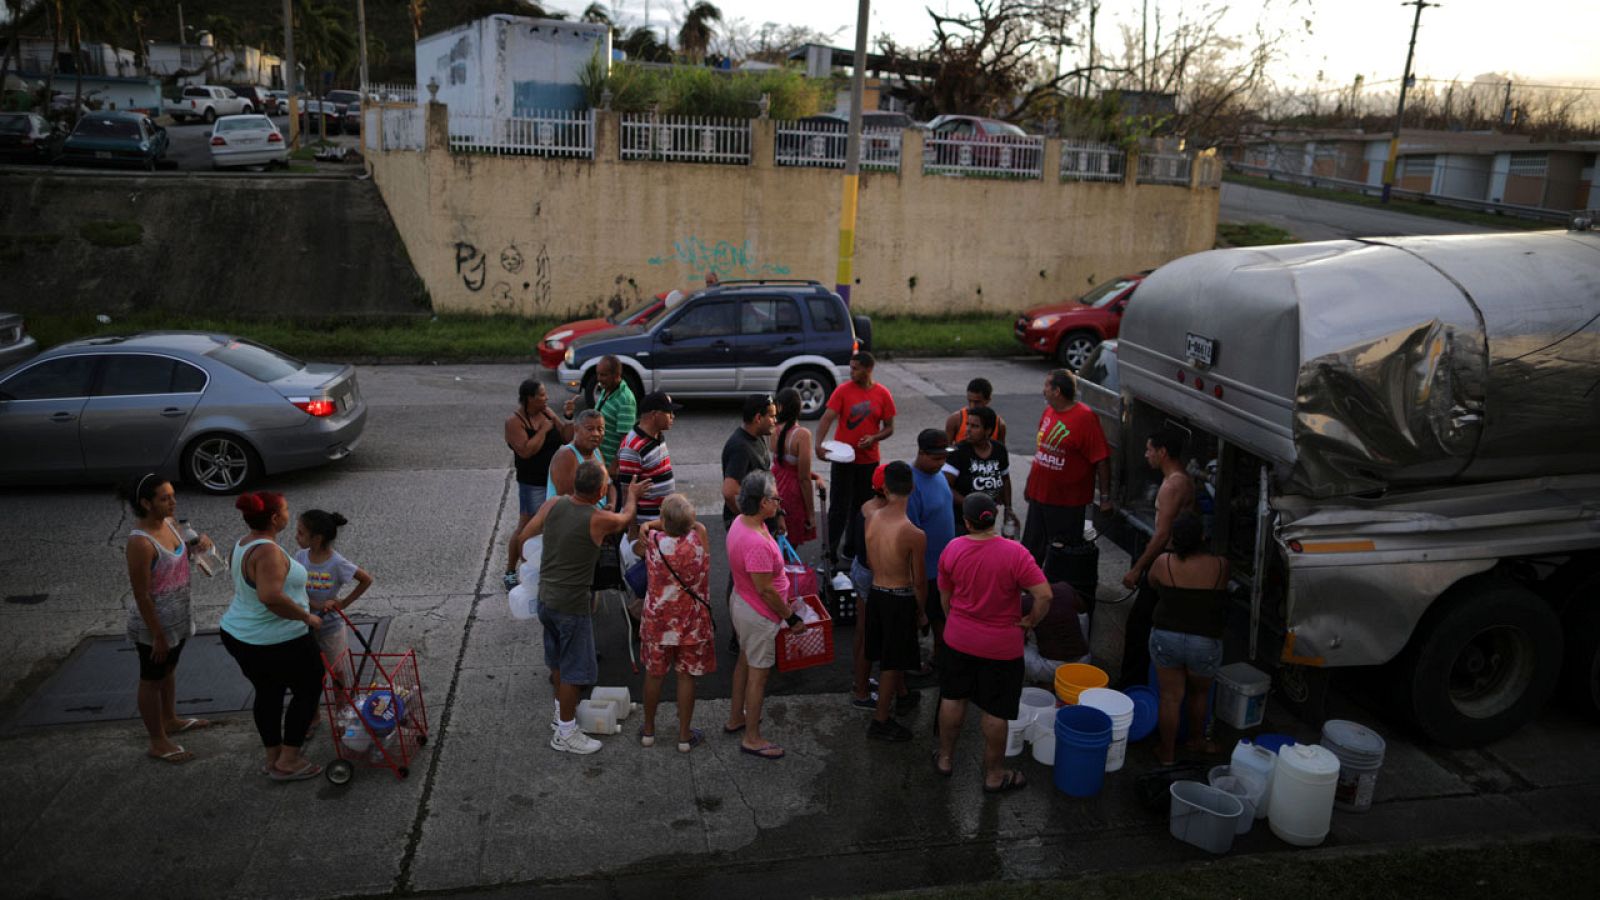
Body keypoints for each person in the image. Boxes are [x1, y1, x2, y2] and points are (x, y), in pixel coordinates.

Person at [523, 461, 647, 754]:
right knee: (574, 672)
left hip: (546, 600)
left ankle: (560, 716)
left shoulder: (554, 504)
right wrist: (632, 494)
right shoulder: (597, 519)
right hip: (571, 606)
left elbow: (522, 535)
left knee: (556, 662)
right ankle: (566, 733)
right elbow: (626, 517)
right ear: (601, 490)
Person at [934, 493, 1052, 792]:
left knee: (952, 697)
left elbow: (945, 597)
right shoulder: (1015, 553)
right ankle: (994, 775)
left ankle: (945, 759)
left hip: (959, 638)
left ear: (966, 521)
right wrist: (1031, 621)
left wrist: (956, 622)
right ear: (994, 517)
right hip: (1002, 647)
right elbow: (1044, 595)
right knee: (996, 711)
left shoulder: (952, 548)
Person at [219, 491, 326, 782]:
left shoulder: (243, 543)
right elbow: (270, 597)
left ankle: (272, 755)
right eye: (286, 509)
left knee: (268, 692)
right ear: (276, 518)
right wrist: (307, 617)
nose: (290, 514)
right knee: (308, 687)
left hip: (240, 634)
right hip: (275, 639)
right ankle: (289, 760)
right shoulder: (268, 552)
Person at [120, 473, 214, 765]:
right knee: (151, 680)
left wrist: (203, 546)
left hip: (178, 617)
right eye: (165, 498)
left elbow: (188, 553)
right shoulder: (140, 542)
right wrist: (157, 634)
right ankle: (157, 740)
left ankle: (170, 719)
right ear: (146, 503)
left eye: (173, 495)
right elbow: (142, 594)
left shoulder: (172, 525)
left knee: (169, 669)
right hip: (154, 626)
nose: (173, 502)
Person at [724, 470, 807, 761]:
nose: (778, 503)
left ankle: (736, 717)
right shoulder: (757, 541)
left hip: (742, 604)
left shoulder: (740, 522)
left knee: (744, 662)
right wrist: (791, 618)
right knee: (758, 677)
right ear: (761, 503)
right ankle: (752, 738)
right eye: (775, 499)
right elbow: (766, 590)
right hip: (758, 614)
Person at [1147, 513, 1230, 766]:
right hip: (1204, 641)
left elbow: (1152, 584)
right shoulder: (1221, 565)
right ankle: (1197, 741)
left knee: (1170, 697)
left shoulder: (1164, 562)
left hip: (1166, 636)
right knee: (1199, 695)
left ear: (1174, 539)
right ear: (1202, 538)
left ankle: (1167, 753)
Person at [1119, 426, 1198, 685]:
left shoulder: (1173, 485)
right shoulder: (1179, 480)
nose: (1146, 455)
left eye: (1149, 449)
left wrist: (1138, 568)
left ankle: (1132, 682)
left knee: (1139, 624)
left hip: (1168, 558)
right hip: (1172, 558)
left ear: (1162, 452)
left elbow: (1162, 534)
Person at [636, 494, 714, 753]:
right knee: (686, 677)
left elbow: (652, 532)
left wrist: (646, 526)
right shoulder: (699, 536)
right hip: (691, 623)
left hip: (658, 623)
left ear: (664, 521)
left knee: (654, 675)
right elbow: (693, 525)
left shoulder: (654, 543)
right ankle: (684, 735)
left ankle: (648, 730)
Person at [862, 462, 926, 742]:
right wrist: (921, 611)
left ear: (885, 488)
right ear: (912, 488)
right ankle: (880, 720)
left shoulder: (872, 517)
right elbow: (919, 580)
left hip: (876, 591)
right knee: (893, 661)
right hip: (900, 598)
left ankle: (902, 695)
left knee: (887, 655)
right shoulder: (913, 534)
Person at [1022, 369, 1111, 562]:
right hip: (1040, 497)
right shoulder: (1049, 412)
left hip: (1067, 504)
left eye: (1047, 385)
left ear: (1057, 391)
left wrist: (1104, 497)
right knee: (1032, 550)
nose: (1043, 390)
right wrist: (1030, 483)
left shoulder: (1085, 418)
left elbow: (1101, 459)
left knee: (1062, 556)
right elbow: (1040, 453)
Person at [816, 352, 895, 564]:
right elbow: (827, 418)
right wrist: (818, 445)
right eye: (850, 367)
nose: (851, 372)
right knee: (838, 508)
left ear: (869, 369)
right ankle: (829, 551)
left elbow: (889, 428)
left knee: (862, 508)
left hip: (868, 461)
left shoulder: (883, 394)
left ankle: (852, 549)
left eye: (855, 368)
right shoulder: (843, 391)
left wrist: (874, 438)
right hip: (843, 461)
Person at [292, 509, 374, 686]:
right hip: (305, 626)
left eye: (300, 533)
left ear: (317, 538)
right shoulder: (299, 557)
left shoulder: (337, 562)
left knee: (338, 672)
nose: (296, 536)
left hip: (331, 627)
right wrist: (314, 603)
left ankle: (342, 708)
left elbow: (366, 579)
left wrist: (343, 603)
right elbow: (293, 588)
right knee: (311, 673)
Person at [504, 378, 572, 590]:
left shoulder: (546, 412)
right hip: (532, 483)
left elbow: (567, 438)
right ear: (529, 398)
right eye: (542, 395)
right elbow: (525, 451)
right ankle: (510, 571)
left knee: (551, 526)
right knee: (526, 526)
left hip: (554, 481)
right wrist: (543, 430)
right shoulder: (514, 422)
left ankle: (539, 568)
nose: (547, 398)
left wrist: (565, 417)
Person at [906, 429, 957, 659]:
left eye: (944, 458)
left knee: (942, 618)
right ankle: (916, 663)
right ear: (921, 453)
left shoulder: (939, 475)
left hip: (945, 568)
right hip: (925, 573)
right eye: (936, 458)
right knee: (925, 619)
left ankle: (939, 657)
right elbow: (911, 536)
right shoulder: (911, 486)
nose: (941, 463)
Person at [848, 464, 888, 709]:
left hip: (860, 570)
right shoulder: (880, 515)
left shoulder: (866, 506)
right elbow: (876, 558)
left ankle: (859, 682)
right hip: (871, 575)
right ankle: (862, 693)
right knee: (870, 636)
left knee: (862, 631)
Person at [945, 406, 1017, 538]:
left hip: (988, 521)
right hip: (961, 523)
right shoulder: (959, 452)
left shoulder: (999, 450)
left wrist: (1008, 508)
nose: (968, 430)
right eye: (967, 424)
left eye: (975, 426)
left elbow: (1005, 479)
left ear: (988, 430)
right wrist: (971, 503)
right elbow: (945, 487)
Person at [616, 391, 683, 527]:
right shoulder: (632, 448)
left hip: (664, 521)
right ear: (654, 415)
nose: (673, 416)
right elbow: (626, 493)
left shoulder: (657, 434)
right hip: (646, 526)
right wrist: (633, 531)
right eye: (668, 412)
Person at [769, 387, 818, 548]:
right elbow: (803, 478)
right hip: (792, 494)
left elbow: (781, 465)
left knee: (774, 542)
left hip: (775, 488)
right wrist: (811, 514)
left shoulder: (774, 430)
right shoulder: (802, 435)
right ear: (798, 407)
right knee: (789, 545)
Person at [1022, 582, 1091, 684]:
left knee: (1009, 645)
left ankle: (1042, 682)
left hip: (1054, 670)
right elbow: (1083, 615)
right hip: (1084, 662)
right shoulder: (1065, 587)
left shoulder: (1024, 603)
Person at [547, 410, 611, 508]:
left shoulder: (596, 452)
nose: (596, 434)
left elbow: (609, 484)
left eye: (600, 429)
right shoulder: (565, 456)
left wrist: (611, 504)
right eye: (590, 429)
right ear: (576, 429)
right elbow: (569, 501)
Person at [590, 355, 637, 473]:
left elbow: (626, 440)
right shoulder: (607, 389)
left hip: (610, 468)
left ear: (616, 375)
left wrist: (613, 466)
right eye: (598, 374)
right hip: (599, 461)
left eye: (603, 375)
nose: (599, 379)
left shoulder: (625, 399)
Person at [943, 377, 1008, 447]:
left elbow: (1001, 452)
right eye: (969, 401)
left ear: (988, 400)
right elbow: (946, 448)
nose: (972, 406)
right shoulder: (955, 420)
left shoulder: (999, 425)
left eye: (977, 402)